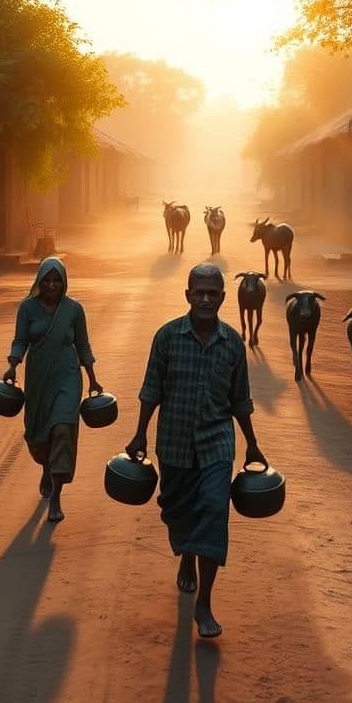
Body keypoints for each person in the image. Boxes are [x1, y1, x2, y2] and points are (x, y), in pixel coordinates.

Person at [126, 262, 266, 638]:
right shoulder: (167, 337)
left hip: (217, 443)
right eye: (199, 292)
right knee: (178, 511)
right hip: (173, 443)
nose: (206, 299)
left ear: (223, 298)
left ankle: (204, 603)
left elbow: (241, 400)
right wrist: (139, 434)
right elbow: (151, 388)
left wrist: (252, 443)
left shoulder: (233, 343)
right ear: (187, 295)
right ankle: (186, 555)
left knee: (214, 512)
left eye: (213, 293)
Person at [3, 256, 101, 524]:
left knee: (62, 429)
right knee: (39, 435)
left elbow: (83, 345)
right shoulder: (27, 309)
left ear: (64, 282)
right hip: (38, 377)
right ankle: (47, 468)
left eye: (57, 280)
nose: (52, 285)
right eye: (47, 280)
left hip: (68, 375)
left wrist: (92, 378)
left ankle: (56, 495)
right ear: (39, 281)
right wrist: (12, 366)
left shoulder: (74, 310)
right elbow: (20, 340)